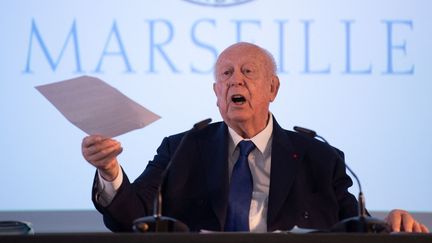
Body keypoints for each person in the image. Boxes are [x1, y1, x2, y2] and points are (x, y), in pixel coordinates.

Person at [82, 42, 429, 233]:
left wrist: (389, 228)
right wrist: (110, 171)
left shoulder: (319, 158)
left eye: (248, 72)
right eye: (226, 75)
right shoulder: (183, 148)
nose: (236, 81)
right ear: (217, 92)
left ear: (273, 88)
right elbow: (131, 219)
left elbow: (353, 227)